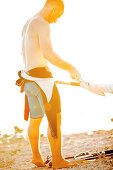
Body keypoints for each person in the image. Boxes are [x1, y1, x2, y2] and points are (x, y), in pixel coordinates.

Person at [19, 0, 81, 168]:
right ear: (54, 7)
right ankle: (58, 160)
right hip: (43, 81)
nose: (57, 19)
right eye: (58, 14)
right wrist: (71, 67)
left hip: (29, 80)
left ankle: (36, 157)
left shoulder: (28, 23)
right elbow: (48, 53)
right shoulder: (42, 23)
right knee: (55, 120)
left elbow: (25, 52)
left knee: (34, 120)